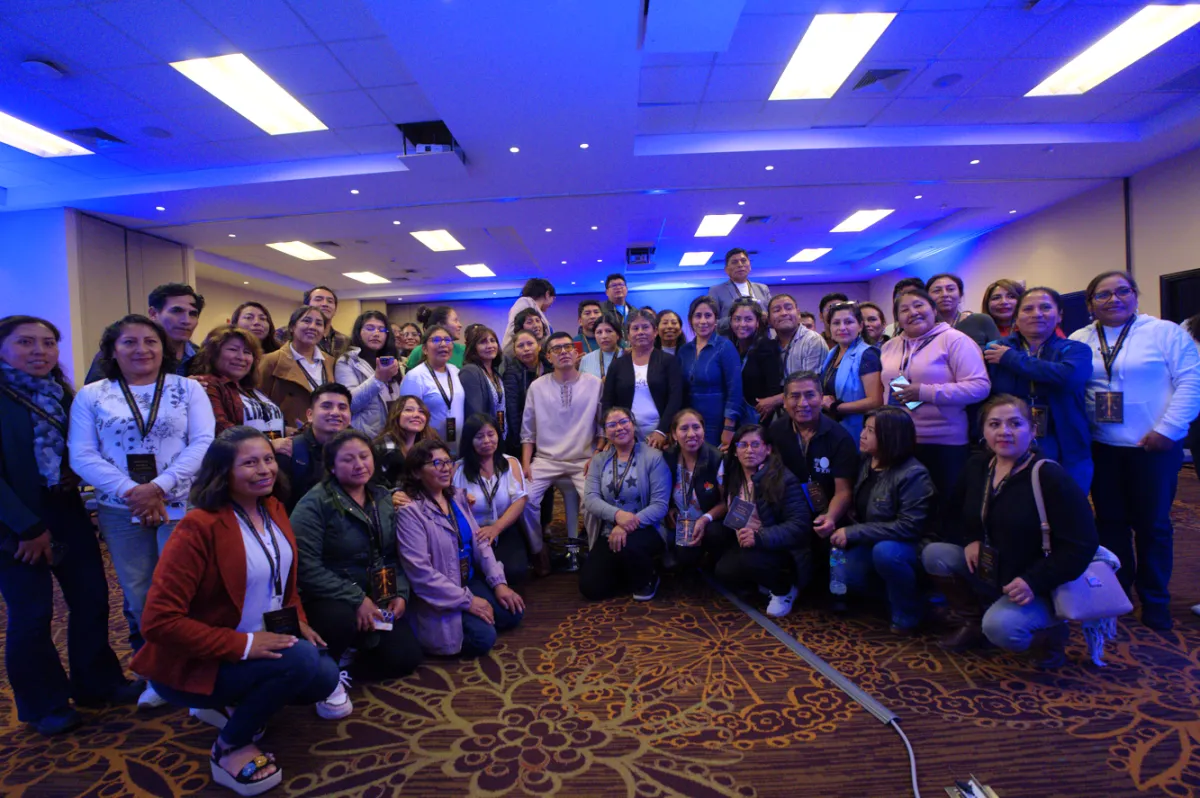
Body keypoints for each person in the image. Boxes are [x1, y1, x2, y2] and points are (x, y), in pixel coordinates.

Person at [130, 426, 340, 794]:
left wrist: (299, 620)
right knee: (303, 663)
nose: (265, 470)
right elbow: (158, 622)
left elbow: (282, 580)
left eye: (268, 459)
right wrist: (245, 645)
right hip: (201, 658)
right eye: (250, 463)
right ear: (222, 472)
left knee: (324, 677)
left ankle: (230, 703)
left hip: (261, 638)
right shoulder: (199, 526)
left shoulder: (273, 508)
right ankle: (229, 746)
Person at [0, 316, 143, 736]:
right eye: (26, 342)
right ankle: (44, 704)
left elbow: (84, 449)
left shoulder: (62, 394)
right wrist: (27, 528)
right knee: (32, 613)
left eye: (48, 343)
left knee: (92, 598)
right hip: (14, 522)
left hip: (65, 509)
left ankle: (97, 683)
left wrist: (75, 473)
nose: (39, 351)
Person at [69, 314, 215, 708]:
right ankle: (159, 675)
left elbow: (203, 442)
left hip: (180, 503)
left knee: (185, 590)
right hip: (121, 508)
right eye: (129, 342)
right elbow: (82, 454)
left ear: (163, 348)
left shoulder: (187, 389)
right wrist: (133, 491)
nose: (141, 350)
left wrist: (158, 487)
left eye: (150, 341)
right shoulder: (93, 395)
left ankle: (197, 670)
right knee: (139, 594)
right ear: (112, 350)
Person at [923, 396, 1098, 666]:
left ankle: (1052, 636)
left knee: (1001, 628)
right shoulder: (978, 466)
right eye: (994, 424)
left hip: (1037, 582)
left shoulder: (1049, 477)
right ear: (983, 431)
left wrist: (1033, 581)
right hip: (994, 569)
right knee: (935, 554)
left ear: (1033, 429)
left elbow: (1082, 545)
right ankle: (972, 623)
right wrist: (971, 539)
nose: (1004, 431)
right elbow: (954, 514)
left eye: (1015, 424)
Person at [1069, 271, 1200, 630]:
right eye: (1103, 294)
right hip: (1102, 447)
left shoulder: (1164, 332)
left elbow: (1191, 381)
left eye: (1122, 291)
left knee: (1153, 525)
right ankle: (1119, 591)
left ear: (1135, 295)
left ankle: (1155, 599)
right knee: (1110, 524)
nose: (1114, 299)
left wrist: (1169, 430)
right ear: (1090, 303)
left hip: (1153, 447)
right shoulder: (1080, 339)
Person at [291, 430, 422, 698]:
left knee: (406, 657)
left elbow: (392, 554)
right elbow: (306, 568)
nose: (359, 464)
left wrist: (400, 592)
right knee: (340, 621)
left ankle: (350, 656)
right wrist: (357, 599)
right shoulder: (315, 503)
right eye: (348, 459)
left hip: (376, 591)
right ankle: (327, 668)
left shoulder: (381, 497)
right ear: (332, 466)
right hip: (329, 597)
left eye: (364, 456)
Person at [396, 440, 525, 657]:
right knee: (483, 638)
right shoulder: (410, 512)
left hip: (467, 578)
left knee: (513, 612)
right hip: (441, 590)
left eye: (448, 461)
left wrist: (499, 583)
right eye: (437, 463)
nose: (446, 468)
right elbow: (421, 574)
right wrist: (469, 602)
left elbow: (480, 544)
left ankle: (478, 615)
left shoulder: (456, 497)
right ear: (417, 472)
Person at [879, 288, 990, 538]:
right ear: (897, 318)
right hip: (902, 441)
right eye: (904, 309)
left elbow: (979, 387)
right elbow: (889, 388)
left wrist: (925, 392)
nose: (912, 312)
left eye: (919, 305)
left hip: (945, 441)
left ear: (933, 309)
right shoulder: (889, 347)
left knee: (946, 511)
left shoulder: (955, 340)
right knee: (909, 509)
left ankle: (942, 557)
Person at [830, 408, 935, 635]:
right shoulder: (867, 461)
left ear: (891, 437)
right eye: (864, 428)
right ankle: (886, 595)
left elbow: (909, 527)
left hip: (908, 545)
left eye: (870, 431)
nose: (862, 435)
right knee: (843, 572)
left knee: (886, 554)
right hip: (871, 538)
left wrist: (854, 532)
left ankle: (909, 611)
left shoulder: (914, 474)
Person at [983, 287, 1093, 491]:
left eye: (1045, 307)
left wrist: (1011, 359)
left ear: (1059, 315)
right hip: (1010, 441)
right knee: (1016, 502)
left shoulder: (1076, 349)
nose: (1037, 314)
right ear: (1016, 317)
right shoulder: (995, 349)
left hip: (1067, 442)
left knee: (1066, 503)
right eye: (1028, 309)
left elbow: (1068, 377)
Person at [520, 331, 603, 574]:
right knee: (524, 500)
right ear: (548, 357)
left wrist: (596, 455)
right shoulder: (537, 387)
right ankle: (539, 551)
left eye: (568, 347)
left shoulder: (594, 384)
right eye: (556, 349)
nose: (563, 352)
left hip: (584, 459)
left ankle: (596, 556)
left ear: (577, 353)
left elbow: (602, 428)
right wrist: (526, 465)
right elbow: (528, 432)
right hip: (546, 460)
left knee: (594, 504)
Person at [715, 424, 811, 617]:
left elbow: (799, 526)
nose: (749, 450)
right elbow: (736, 511)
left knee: (749, 561)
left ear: (768, 449)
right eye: (743, 445)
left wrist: (759, 537)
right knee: (723, 569)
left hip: (781, 548)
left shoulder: (784, 479)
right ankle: (760, 581)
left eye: (755, 444)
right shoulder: (735, 474)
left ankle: (785, 589)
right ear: (735, 451)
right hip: (749, 540)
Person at [579, 407, 671, 601]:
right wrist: (617, 516)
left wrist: (626, 525)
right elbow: (591, 499)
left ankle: (649, 576)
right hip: (609, 531)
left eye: (623, 422)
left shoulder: (653, 457)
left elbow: (660, 505)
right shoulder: (599, 460)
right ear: (605, 432)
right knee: (590, 588)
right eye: (611, 425)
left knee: (629, 546)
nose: (619, 428)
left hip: (647, 527)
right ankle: (629, 570)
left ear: (633, 424)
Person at [767, 371, 859, 560]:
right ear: (784, 401)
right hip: (787, 513)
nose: (803, 403)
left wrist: (830, 517)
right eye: (795, 396)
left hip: (825, 513)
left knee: (834, 565)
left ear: (821, 397)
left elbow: (843, 491)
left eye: (809, 395)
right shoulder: (775, 431)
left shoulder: (840, 438)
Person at [452, 414, 531, 585]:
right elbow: (447, 501)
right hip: (471, 533)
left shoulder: (511, 463)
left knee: (515, 571)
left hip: (503, 527)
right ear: (469, 440)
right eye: (479, 437)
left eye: (491, 434)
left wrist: (497, 528)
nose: (487, 441)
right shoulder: (457, 469)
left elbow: (520, 500)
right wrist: (461, 500)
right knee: (469, 572)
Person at [84, 283, 204, 384]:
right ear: (153, 314)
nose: (186, 321)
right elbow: (96, 397)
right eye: (176, 311)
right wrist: (178, 389)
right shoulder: (123, 353)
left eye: (193, 314)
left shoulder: (202, 356)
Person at [191, 326, 287, 450]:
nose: (241, 357)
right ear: (213, 354)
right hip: (237, 458)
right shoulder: (207, 385)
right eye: (233, 349)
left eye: (247, 352)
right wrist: (268, 444)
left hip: (271, 456)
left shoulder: (252, 389)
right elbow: (220, 427)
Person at [602, 309, 682, 449]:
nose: (640, 332)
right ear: (628, 334)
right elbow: (608, 401)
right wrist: (611, 432)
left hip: (662, 434)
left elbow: (676, 398)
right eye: (635, 328)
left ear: (655, 331)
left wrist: (662, 431)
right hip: (625, 433)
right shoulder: (617, 365)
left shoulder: (669, 361)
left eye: (645, 327)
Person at [664, 409, 726, 573]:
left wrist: (705, 519)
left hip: (709, 522)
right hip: (681, 522)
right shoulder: (667, 457)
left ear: (703, 431)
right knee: (682, 563)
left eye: (696, 427)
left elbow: (726, 502)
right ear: (674, 434)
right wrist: (670, 507)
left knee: (713, 536)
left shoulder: (716, 459)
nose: (691, 434)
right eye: (684, 428)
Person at [677, 296, 742, 450]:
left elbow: (735, 390)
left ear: (715, 320)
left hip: (717, 422)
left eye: (708, 316)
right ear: (690, 320)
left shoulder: (725, 347)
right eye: (698, 316)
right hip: (690, 422)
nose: (703, 321)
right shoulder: (684, 351)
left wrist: (729, 427)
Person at [275, 383, 352, 513]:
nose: (335, 412)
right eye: (326, 406)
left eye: (342, 407)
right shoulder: (290, 452)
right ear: (310, 415)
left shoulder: (360, 452)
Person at [258, 306, 336, 431]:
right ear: (292, 327)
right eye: (306, 321)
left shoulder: (330, 362)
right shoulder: (271, 361)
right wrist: (276, 435)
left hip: (326, 433)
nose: (313, 327)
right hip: (288, 436)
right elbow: (258, 407)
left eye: (319, 323)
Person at [398, 325, 465, 458]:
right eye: (436, 340)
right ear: (424, 349)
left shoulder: (455, 371)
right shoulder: (415, 376)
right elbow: (406, 420)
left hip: (458, 448)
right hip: (428, 452)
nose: (443, 344)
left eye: (447, 340)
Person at [334, 311, 403, 439]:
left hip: (392, 435)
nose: (376, 333)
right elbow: (348, 404)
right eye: (370, 328)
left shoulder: (390, 359)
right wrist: (378, 379)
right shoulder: (347, 361)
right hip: (362, 437)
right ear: (359, 332)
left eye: (381, 329)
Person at [820, 303, 883, 441]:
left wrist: (836, 407)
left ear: (860, 326)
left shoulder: (867, 354)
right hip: (834, 426)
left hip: (859, 429)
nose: (842, 327)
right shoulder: (832, 353)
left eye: (848, 322)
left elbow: (875, 401)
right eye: (836, 323)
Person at [725, 297, 783, 426]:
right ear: (731, 322)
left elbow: (773, 388)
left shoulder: (767, 347)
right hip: (734, 415)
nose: (742, 324)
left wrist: (769, 404)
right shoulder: (729, 347)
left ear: (757, 323)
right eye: (737, 319)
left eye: (748, 319)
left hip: (758, 417)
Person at [374, 394, 439, 491]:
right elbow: (372, 484)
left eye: (421, 411)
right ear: (396, 415)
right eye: (409, 410)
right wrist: (391, 494)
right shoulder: (382, 445)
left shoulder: (428, 445)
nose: (416, 415)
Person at [926, 273, 1000, 349]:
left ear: (960, 295)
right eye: (937, 291)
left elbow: (998, 353)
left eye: (950, 289)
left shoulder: (982, 320)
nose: (944, 294)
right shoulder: (925, 329)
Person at [502, 330, 546, 458]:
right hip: (524, 432)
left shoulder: (550, 367)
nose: (526, 349)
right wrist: (519, 442)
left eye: (530, 344)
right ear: (515, 351)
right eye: (520, 346)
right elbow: (512, 410)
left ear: (539, 346)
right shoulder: (511, 373)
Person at [459, 325, 507, 436]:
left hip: (500, 435)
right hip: (483, 437)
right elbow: (475, 413)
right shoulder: (470, 371)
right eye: (483, 342)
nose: (490, 345)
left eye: (492, 341)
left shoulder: (495, 373)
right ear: (473, 348)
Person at [709, 248, 772, 329]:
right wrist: (735, 319)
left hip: (761, 336)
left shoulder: (763, 288)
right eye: (734, 262)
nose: (740, 265)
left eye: (743, 261)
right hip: (731, 336)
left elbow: (772, 317)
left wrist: (765, 317)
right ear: (726, 270)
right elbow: (712, 322)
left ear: (750, 266)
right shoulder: (716, 291)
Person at [500, 278, 555, 355]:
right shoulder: (524, 303)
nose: (552, 303)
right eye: (553, 298)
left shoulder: (534, 308)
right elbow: (516, 330)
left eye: (537, 321)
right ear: (547, 294)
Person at [304, 285, 349, 359]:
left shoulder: (345, 341)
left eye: (330, 301)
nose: (325, 304)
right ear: (306, 306)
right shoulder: (289, 334)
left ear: (335, 310)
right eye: (318, 299)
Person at [580, 313, 623, 383]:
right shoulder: (586, 359)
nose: (604, 336)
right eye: (599, 332)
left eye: (609, 331)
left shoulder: (627, 356)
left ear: (618, 335)